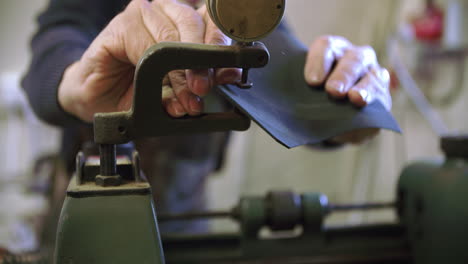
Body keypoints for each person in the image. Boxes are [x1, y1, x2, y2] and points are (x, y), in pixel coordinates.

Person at [22, 0, 391, 233]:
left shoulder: (245, 15)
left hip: (188, 225)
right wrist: (76, 82)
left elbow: (289, 80)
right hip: (80, 228)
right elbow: (53, 49)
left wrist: (348, 103)